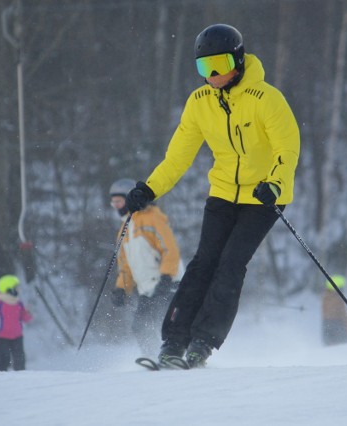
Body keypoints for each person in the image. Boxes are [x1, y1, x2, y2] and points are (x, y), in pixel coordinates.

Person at [124, 24, 300, 368]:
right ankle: (174, 342)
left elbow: (287, 149)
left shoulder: (266, 98)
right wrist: (149, 188)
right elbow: (177, 157)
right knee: (203, 263)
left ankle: (202, 343)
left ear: (238, 59)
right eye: (205, 68)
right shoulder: (200, 102)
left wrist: (275, 184)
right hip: (222, 193)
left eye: (218, 65)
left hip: (263, 198)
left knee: (231, 264)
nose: (213, 76)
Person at [108, 178, 184, 355]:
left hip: (168, 284)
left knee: (166, 324)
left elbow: (170, 249)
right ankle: (154, 358)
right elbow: (126, 267)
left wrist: (166, 277)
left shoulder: (152, 218)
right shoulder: (124, 230)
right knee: (140, 326)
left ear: (129, 198)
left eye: (118, 201)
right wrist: (121, 289)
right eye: (113, 203)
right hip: (148, 289)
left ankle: (174, 355)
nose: (116, 206)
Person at [0, 275, 33, 371]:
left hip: (17, 336)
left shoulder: (18, 302)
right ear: (9, 289)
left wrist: (28, 313)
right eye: (16, 287)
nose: (19, 289)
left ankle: (22, 379)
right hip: (3, 336)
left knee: (20, 360)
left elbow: (25, 318)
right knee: (4, 360)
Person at [321, 275, 347, 346]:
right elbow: (342, 313)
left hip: (327, 323)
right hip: (338, 323)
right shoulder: (338, 298)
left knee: (329, 345)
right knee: (342, 345)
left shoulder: (325, 296)